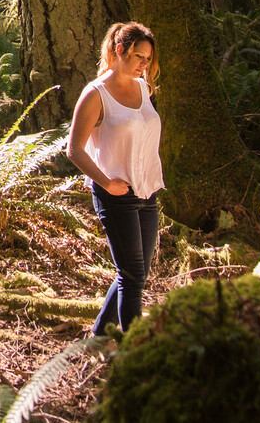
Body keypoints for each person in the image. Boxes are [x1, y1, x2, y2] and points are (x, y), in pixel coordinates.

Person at [67, 21, 164, 336]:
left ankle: (99, 335)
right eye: (139, 57)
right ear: (119, 50)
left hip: (147, 190)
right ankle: (131, 352)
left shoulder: (142, 88)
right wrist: (107, 183)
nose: (143, 65)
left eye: (148, 59)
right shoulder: (95, 94)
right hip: (116, 193)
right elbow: (74, 150)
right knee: (133, 274)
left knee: (134, 273)